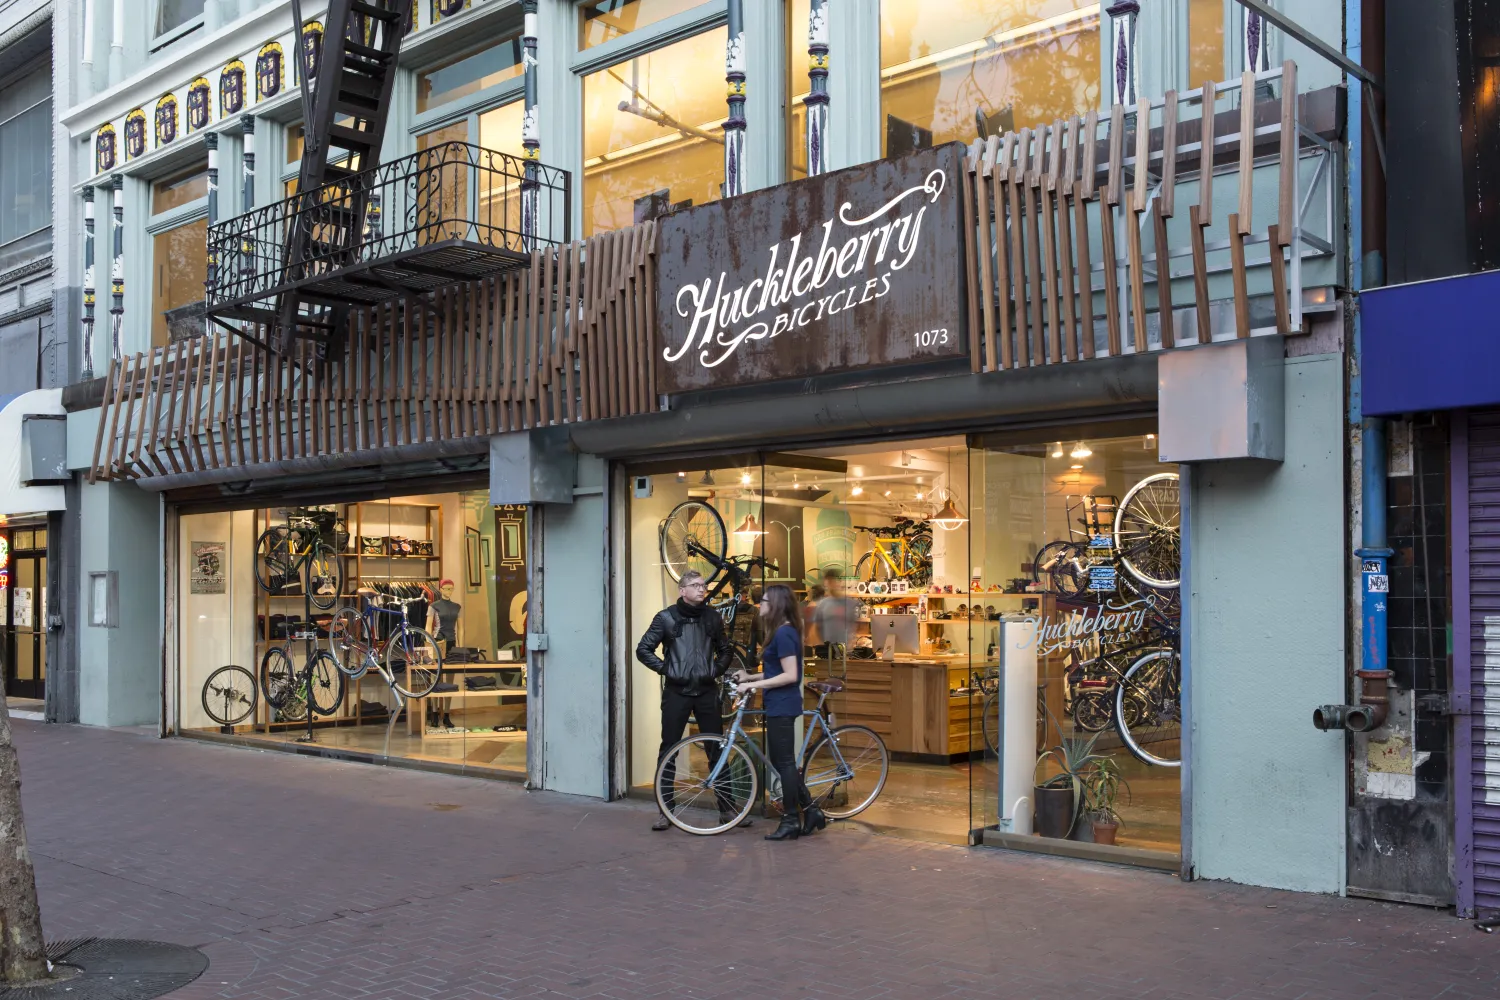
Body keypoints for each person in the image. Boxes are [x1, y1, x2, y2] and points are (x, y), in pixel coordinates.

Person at [636, 569, 748, 832]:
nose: (702, 589)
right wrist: (667, 670)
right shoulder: (665, 618)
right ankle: (666, 811)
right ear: (682, 590)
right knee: (669, 751)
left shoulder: (712, 617)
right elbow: (643, 649)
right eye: (696, 585)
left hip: (707, 691)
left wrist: (716, 670)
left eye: (704, 586)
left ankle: (727, 809)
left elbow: (725, 649)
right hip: (677, 692)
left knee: (716, 749)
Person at [735, 583, 827, 841]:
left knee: (784, 763)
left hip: (783, 705)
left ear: (775, 605)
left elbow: (790, 675)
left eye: (764, 601)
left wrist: (752, 685)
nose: (760, 605)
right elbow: (777, 671)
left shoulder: (784, 634)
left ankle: (789, 820)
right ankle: (811, 811)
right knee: (782, 762)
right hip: (779, 703)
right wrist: (750, 675)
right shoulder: (783, 632)